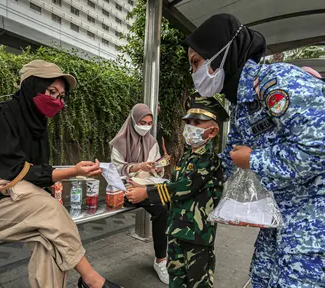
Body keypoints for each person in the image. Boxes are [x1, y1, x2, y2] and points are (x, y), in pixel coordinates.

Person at [0, 60, 122, 288]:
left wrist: (66, 176)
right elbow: (15, 170)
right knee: (50, 211)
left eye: (61, 95)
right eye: (51, 92)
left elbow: (39, 173)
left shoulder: (37, 126)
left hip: (11, 201)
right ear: (31, 86)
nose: (57, 100)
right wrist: (72, 172)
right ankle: (92, 279)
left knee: (47, 238)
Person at [185, 13, 325, 288]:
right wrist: (187, 179)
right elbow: (230, 156)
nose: (195, 73)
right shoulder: (241, 101)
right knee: (260, 278)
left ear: (222, 53)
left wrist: (253, 160)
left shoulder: (277, 82)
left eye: (197, 63)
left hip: (312, 224)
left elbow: (318, 147)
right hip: (278, 219)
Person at [125, 92, 228, 288]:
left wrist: (146, 192)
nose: (190, 128)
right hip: (176, 230)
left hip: (197, 236)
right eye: (188, 122)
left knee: (198, 283)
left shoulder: (209, 160)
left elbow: (183, 188)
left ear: (213, 132)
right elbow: (172, 185)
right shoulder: (188, 156)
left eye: (197, 123)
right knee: (176, 280)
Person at [109, 103, 169, 284]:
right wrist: (138, 166)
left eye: (149, 123)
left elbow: (156, 169)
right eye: (142, 122)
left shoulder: (152, 142)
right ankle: (161, 260)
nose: (145, 126)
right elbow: (116, 169)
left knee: (170, 204)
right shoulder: (119, 142)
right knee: (162, 208)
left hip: (148, 185)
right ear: (133, 120)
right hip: (126, 188)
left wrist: (159, 167)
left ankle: (165, 257)